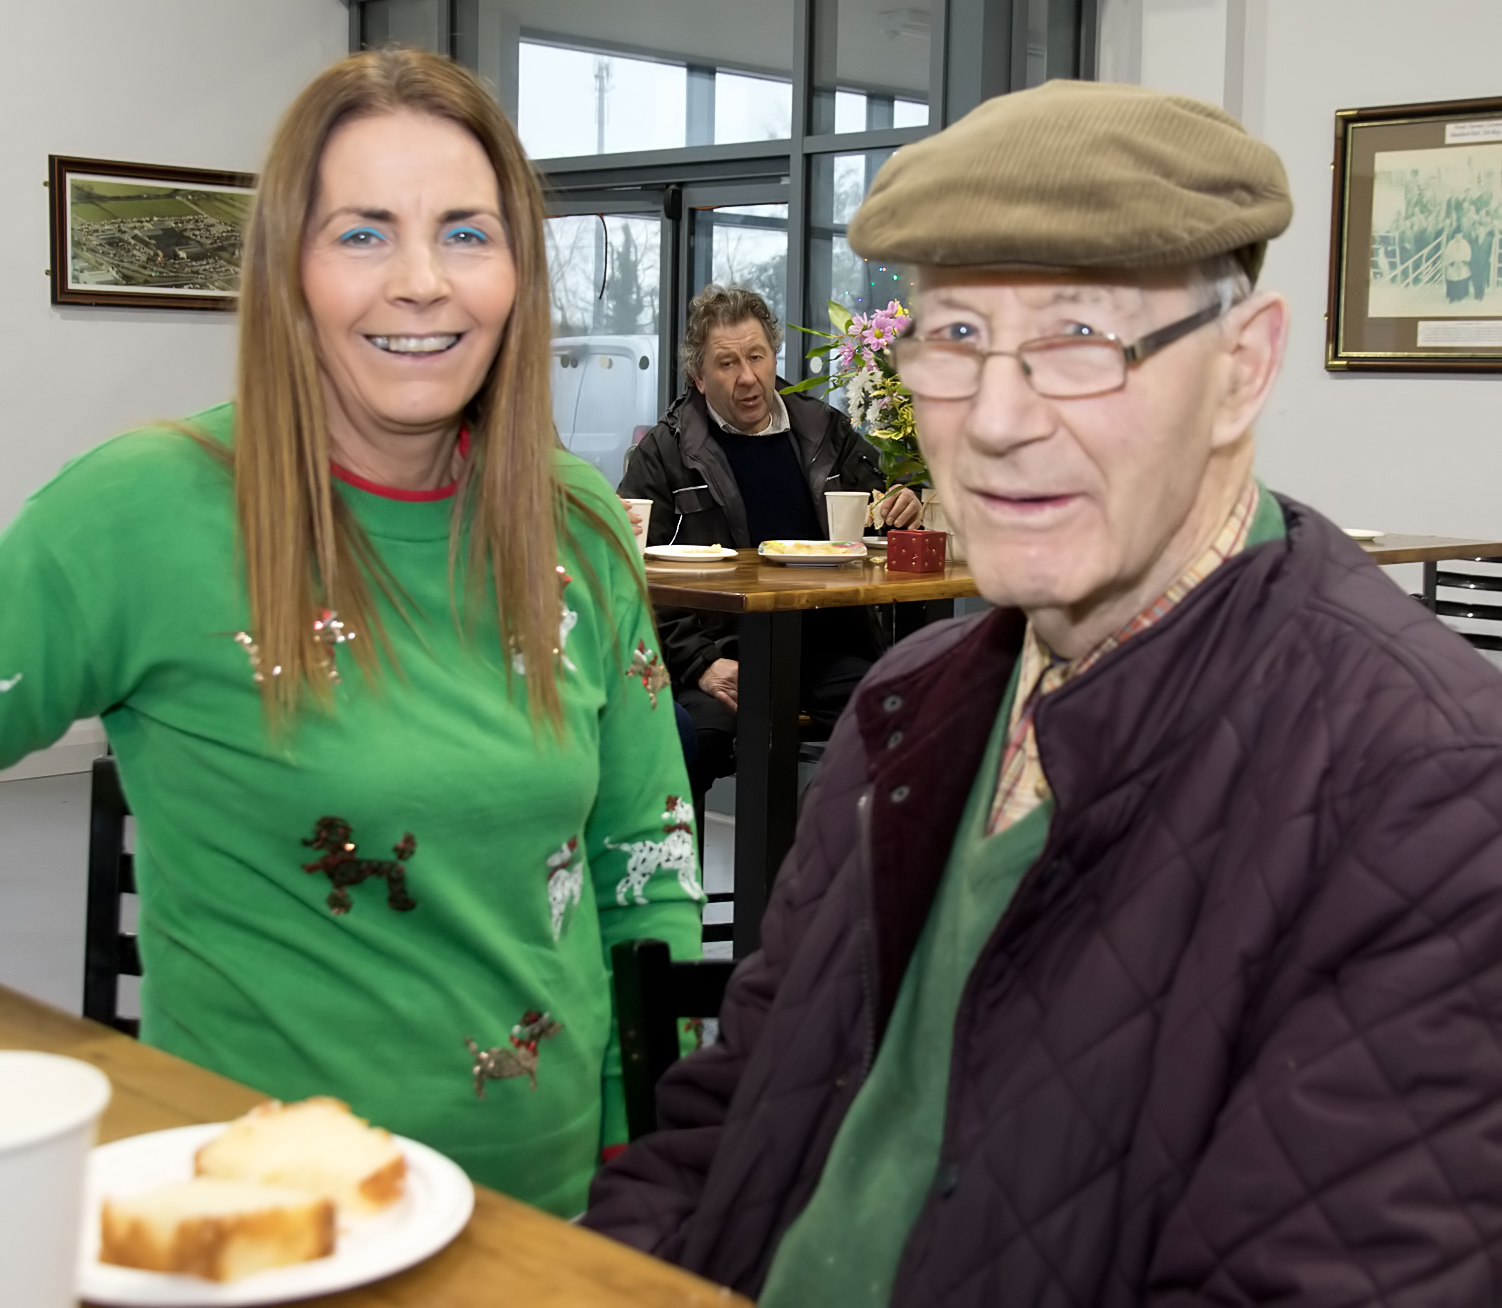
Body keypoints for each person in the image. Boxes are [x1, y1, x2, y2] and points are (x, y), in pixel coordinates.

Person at [585, 81, 1502, 1303]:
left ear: (1240, 368)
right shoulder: (912, 701)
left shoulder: (1429, 792)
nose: (997, 421)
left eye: (1080, 339)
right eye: (955, 337)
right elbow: (728, 1118)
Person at [0, 49, 702, 1218]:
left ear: (517, 272)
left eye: (466, 233)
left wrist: (654, 1158)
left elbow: (645, 864)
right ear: (288, 266)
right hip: (263, 1231)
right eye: (363, 233)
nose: (421, 283)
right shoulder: (138, 512)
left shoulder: (574, 521)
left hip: (557, 1220)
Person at [617, 284, 921, 803]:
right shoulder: (665, 453)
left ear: (773, 356)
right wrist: (699, 664)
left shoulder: (822, 428)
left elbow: (883, 500)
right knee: (690, 742)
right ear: (698, 377)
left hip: (825, 647)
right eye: (727, 363)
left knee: (904, 727)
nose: (748, 377)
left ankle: (832, 847)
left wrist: (905, 500)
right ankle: (663, 855)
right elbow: (627, 571)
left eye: (756, 356)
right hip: (722, 650)